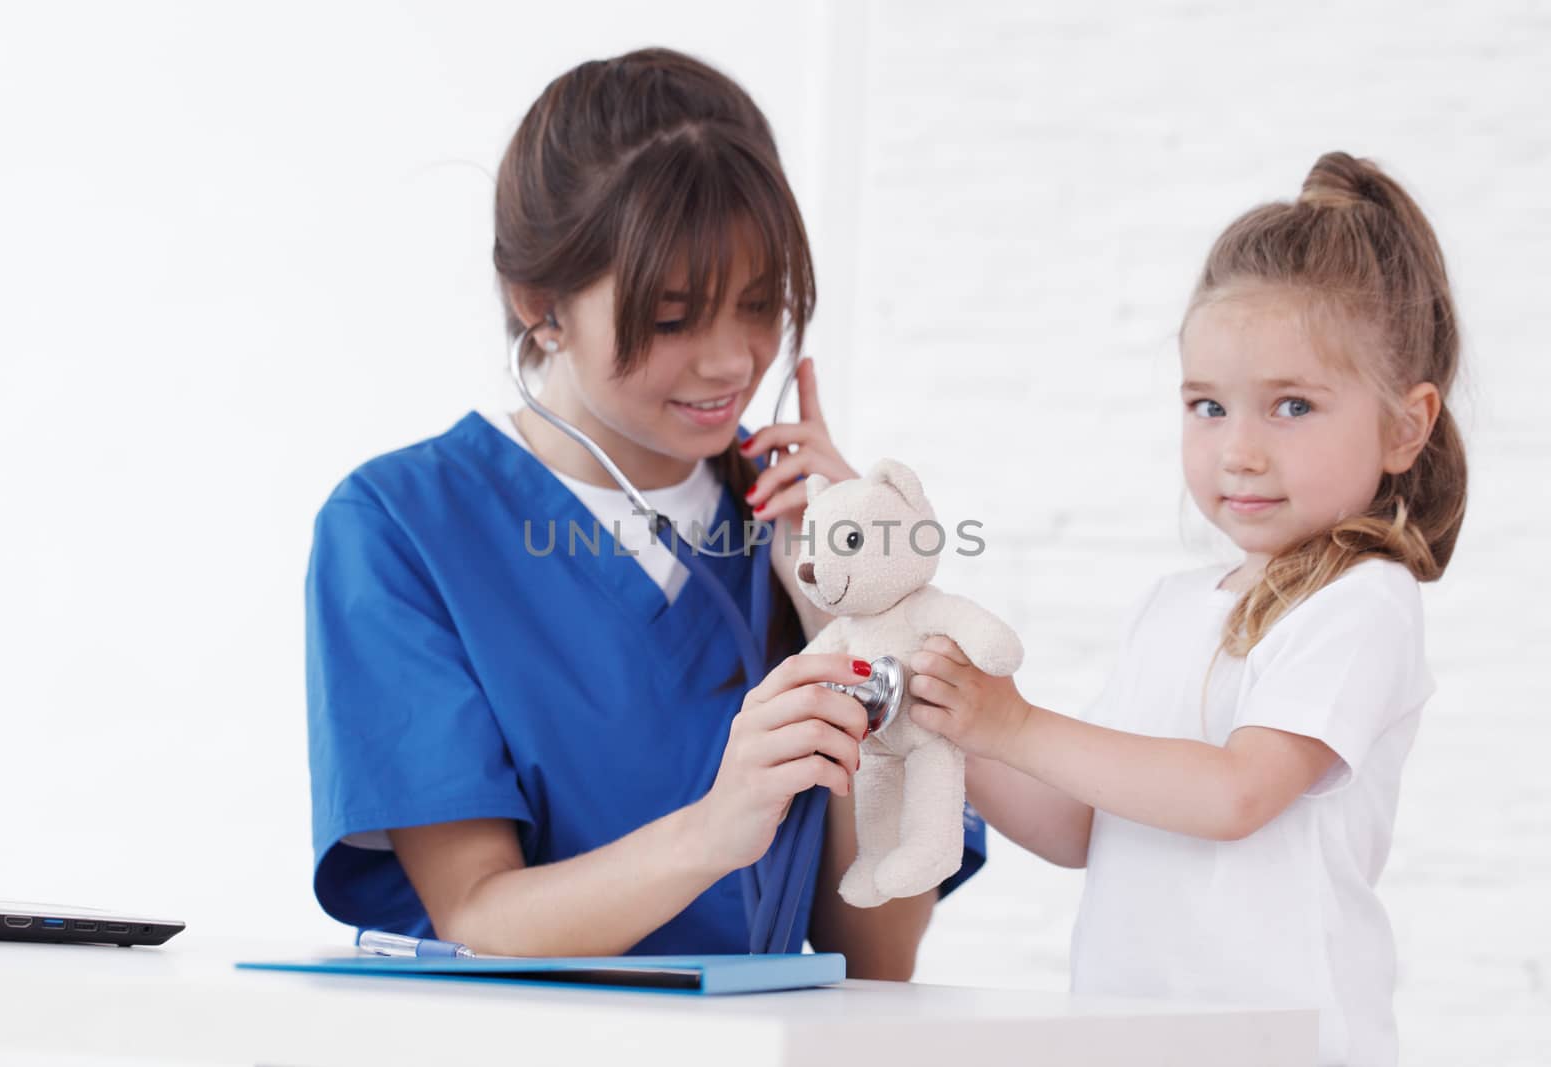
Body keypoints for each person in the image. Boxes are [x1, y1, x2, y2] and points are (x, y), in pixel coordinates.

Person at [304, 47, 984, 976]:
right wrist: (717, 827)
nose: (730, 363)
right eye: (672, 319)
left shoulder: (801, 521)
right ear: (540, 306)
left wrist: (857, 614)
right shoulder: (400, 526)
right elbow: (478, 912)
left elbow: (877, 951)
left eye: (759, 304)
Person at [908, 152, 1466, 1063]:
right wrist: (950, 725)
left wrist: (1012, 721)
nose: (1238, 451)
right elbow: (1080, 824)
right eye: (1207, 406)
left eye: (1291, 405)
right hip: (1134, 1041)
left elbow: (1237, 790)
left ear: (1405, 427)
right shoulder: (1172, 608)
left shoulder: (1363, 600)